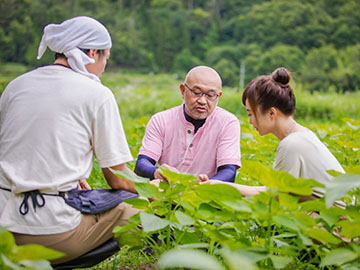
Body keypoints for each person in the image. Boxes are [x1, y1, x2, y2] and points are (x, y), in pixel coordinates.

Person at [0, 16, 140, 264]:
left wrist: (68, 177)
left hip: (3, 227)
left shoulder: (16, 86)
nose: (105, 66)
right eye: (106, 57)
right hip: (49, 231)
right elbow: (118, 178)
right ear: (94, 52)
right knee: (136, 207)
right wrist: (157, 189)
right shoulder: (97, 93)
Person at [202, 67, 345, 205]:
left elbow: (275, 196)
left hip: (334, 224)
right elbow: (282, 192)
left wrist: (224, 187)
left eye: (250, 114)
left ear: (271, 113)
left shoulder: (292, 143)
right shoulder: (302, 134)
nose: (250, 121)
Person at [134, 66, 241, 183]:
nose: (202, 101)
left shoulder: (228, 123)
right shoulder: (161, 120)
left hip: (205, 195)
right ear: (183, 90)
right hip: (167, 194)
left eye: (210, 95)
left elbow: (229, 171)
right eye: (196, 93)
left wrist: (206, 185)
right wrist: (156, 171)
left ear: (218, 96)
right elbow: (142, 164)